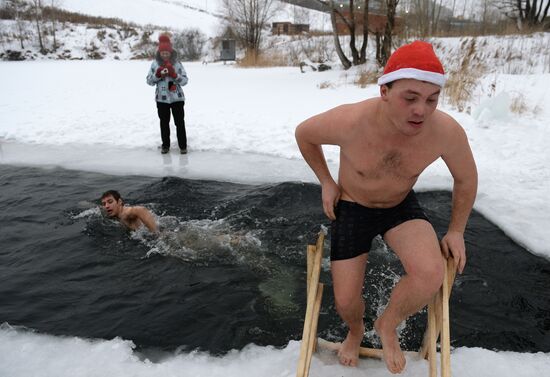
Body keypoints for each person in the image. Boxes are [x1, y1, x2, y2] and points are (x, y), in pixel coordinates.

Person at [295, 41, 477, 374]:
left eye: (431, 100)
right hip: (352, 204)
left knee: (431, 273)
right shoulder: (351, 121)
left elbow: (466, 178)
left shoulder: (445, 132)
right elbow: (304, 134)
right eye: (410, 98)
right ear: (384, 91)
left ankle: (387, 325)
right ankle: (355, 330)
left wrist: (456, 230)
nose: (421, 110)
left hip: (398, 205)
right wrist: (326, 181)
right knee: (346, 302)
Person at [146, 34, 189, 154]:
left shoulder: (177, 64)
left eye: (167, 53)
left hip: (177, 99)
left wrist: (175, 75)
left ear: (170, 52)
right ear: (159, 53)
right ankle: (165, 145)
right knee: (164, 123)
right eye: (162, 53)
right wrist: (158, 75)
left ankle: (183, 146)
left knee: (179, 123)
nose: (165, 55)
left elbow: (185, 81)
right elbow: (149, 81)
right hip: (162, 100)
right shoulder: (155, 64)